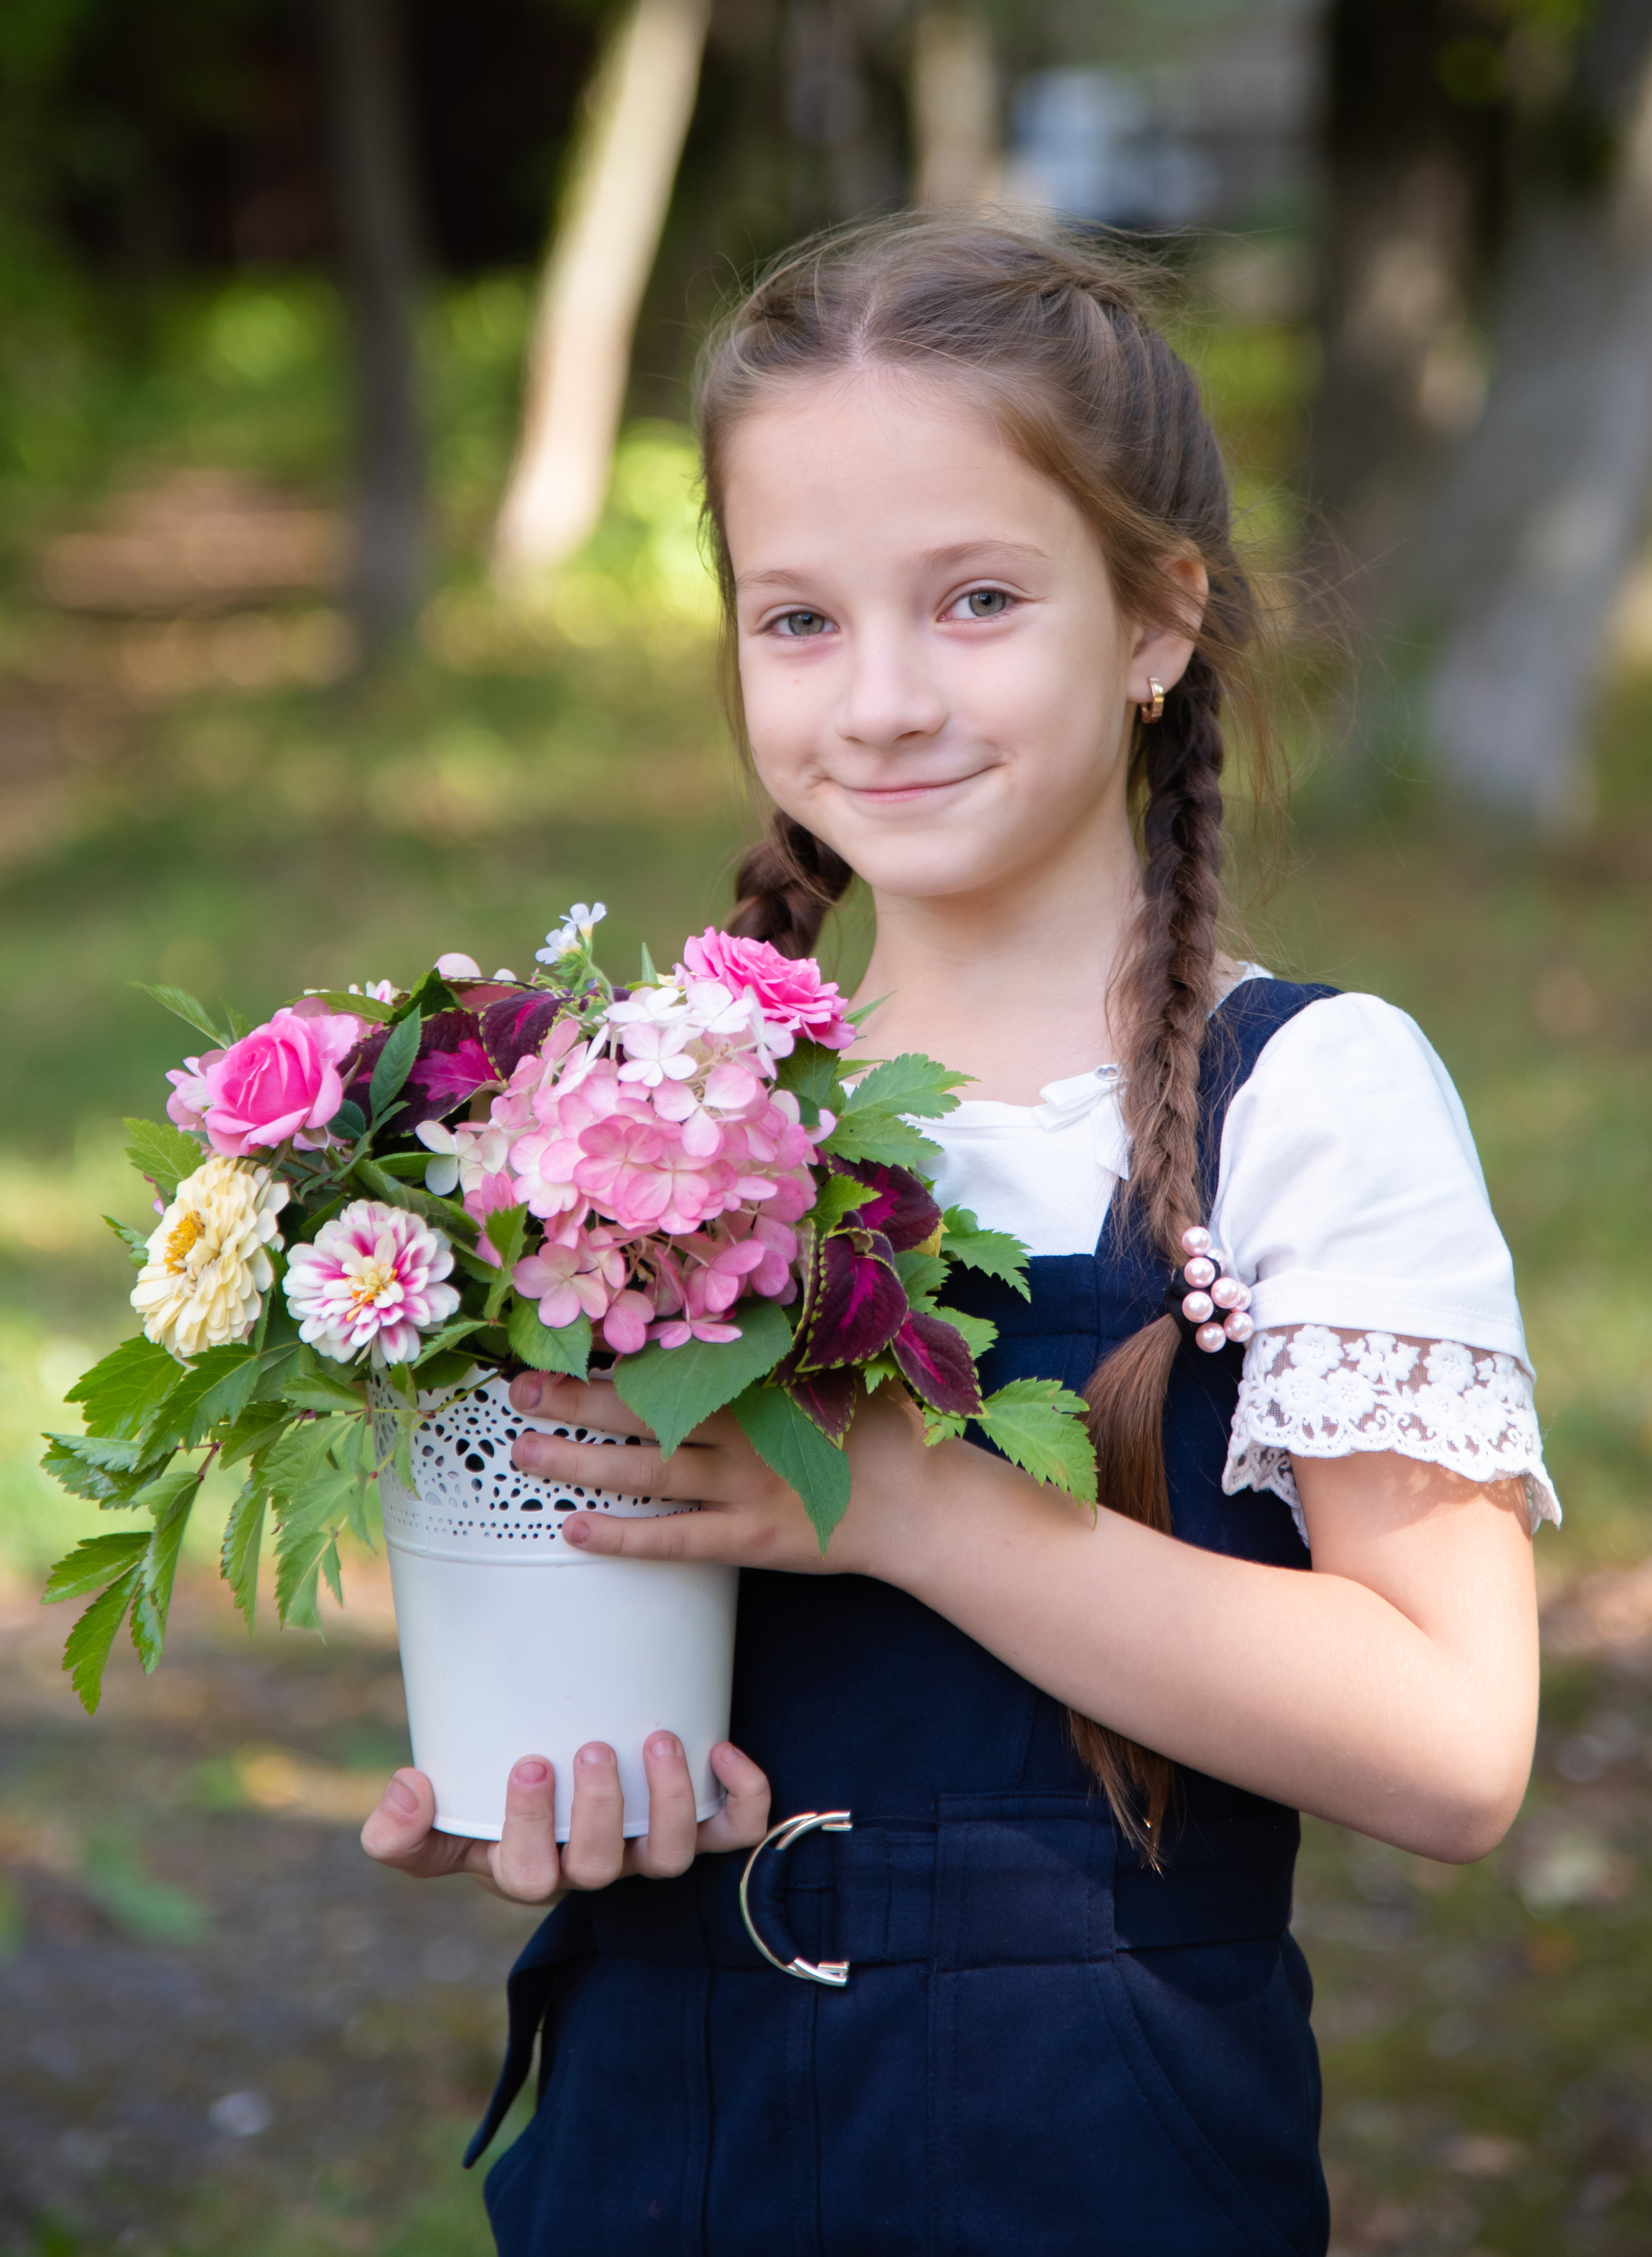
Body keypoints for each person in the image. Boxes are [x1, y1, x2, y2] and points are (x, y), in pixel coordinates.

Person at [361, 219, 1555, 2255]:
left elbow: (1452, 1747)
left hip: (1089, 2143)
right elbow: (631, 1606)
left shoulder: (1308, 1094)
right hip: (657, 2134)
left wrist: (910, 1508)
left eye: (979, 600)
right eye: (797, 619)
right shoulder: (650, 1119)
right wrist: (568, 1767)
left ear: (1161, 621)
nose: (885, 699)